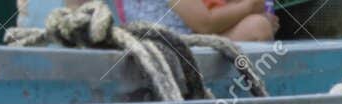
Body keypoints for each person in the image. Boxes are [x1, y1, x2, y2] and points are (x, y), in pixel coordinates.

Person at [106, 0, 278, 40]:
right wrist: (251, 6)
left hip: (185, 36)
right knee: (257, 27)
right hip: (168, 48)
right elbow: (204, 23)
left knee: (258, 23)